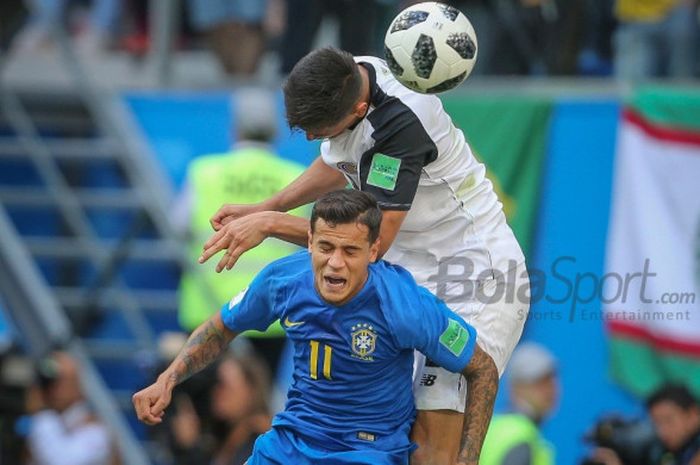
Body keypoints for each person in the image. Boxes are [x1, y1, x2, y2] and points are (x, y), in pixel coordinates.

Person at [198, 46, 530, 465]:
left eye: (320, 130)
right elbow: (341, 159)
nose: (316, 139)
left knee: (433, 429)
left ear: (357, 108)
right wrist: (271, 205)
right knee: (391, 424)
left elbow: (366, 243)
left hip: (474, 274)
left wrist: (269, 225)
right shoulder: (351, 74)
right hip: (414, 267)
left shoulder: (401, 125)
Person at [134, 189, 499, 465]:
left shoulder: (405, 305)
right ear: (309, 241)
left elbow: (482, 369)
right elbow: (221, 327)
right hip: (291, 443)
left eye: (350, 251)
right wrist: (168, 379)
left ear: (373, 252)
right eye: (325, 247)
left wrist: (468, 460)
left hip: (366, 450)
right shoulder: (283, 281)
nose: (334, 264)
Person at [25, 351, 114, 465]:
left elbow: (61, 462)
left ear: (77, 384)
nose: (52, 390)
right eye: (48, 383)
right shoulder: (53, 421)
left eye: (59, 381)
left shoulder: (96, 430)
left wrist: (42, 416)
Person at [479, 342, 558, 465]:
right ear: (516, 387)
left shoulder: (491, 427)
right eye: (538, 382)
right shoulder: (521, 436)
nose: (550, 390)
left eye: (550, 381)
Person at [593, 384, 700, 465]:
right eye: (656, 424)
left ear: (693, 415)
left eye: (668, 420)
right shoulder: (667, 454)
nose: (662, 431)